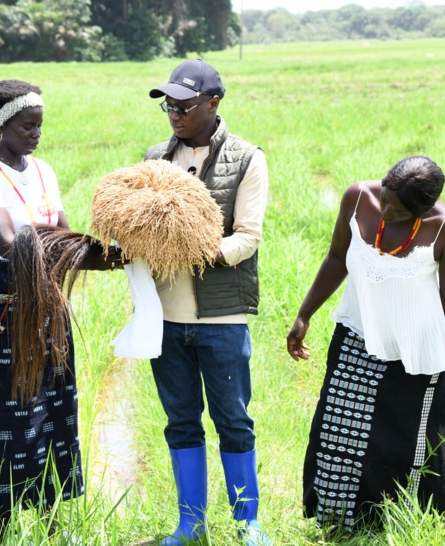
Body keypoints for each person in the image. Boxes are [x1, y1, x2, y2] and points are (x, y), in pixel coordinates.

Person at [286, 155, 445, 533]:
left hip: (418, 355)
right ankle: (339, 526)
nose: (386, 212)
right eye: (386, 197)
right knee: (339, 433)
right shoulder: (358, 199)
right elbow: (337, 258)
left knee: (409, 445)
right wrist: (304, 314)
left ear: (425, 208)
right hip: (358, 337)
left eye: (399, 210)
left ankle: (407, 528)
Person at [0, 79, 111, 537]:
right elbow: (10, 245)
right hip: (2, 308)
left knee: (55, 404)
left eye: (40, 125)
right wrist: (69, 245)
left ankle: (50, 522)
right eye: (28, 125)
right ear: (2, 125)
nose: (36, 133)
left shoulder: (43, 170)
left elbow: (62, 234)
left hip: (47, 300)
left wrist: (108, 253)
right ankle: (0, 523)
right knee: (10, 411)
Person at [145, 59, 271, 546]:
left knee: (233, 419)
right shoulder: (157, 158)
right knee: (180, 420)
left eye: (184, 105)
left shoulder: (246, 158)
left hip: (221, 317)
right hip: (166, 318)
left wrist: (193, 250)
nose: (174, 113)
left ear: (213, 103)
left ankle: (248, 522)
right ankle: (190, 523)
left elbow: (247, 238)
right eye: (167, 105)